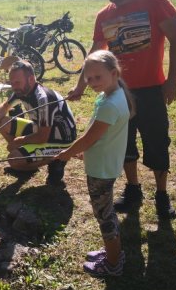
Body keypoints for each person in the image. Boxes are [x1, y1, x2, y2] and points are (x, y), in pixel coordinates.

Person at [69, 0, 176, 219]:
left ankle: (162, 195)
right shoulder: (104, 15)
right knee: (124, 143)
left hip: (152, 89)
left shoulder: (155, 2)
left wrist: (172, 80)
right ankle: (133, 190)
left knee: (157, 142)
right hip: (118, 93)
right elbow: (96, 52)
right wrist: (80, 85)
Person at [57, 51, 133, 277]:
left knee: (104, 216)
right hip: (105, 162)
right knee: (107, 210)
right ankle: (114, 252)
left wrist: (67, 153)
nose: (91, 83)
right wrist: (85, 152)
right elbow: (100, 138)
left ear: (113, 73)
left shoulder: (110, 104)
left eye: (97, 78)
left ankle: (112, 264)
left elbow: (89, 138)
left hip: (101, 170)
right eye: (88, 78)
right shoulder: (113, 95)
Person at [0, 60, 77, 186]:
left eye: (17, 82)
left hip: (60, 139)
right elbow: (4, 107)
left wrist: (19, 141)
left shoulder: (43, 99)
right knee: (1, 122)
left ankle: (57, 160)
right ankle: (27, 161)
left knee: (13, 159)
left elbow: (42, 137)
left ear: (31, 79)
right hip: (42, 129)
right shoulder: (22, 91)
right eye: (12, 82)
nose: (14, 86)